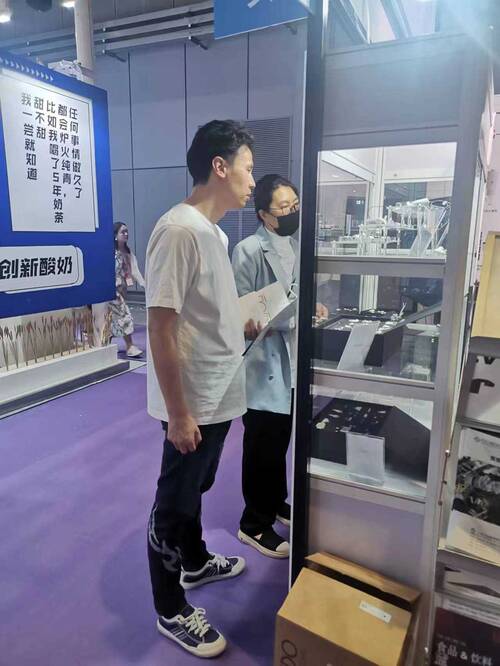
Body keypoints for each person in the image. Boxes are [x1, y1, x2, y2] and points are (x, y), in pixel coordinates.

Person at [146, 120, 255, 659]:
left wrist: (243, 321)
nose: (252, 181)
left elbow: (204, 313)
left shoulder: (215, 234)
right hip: (193, 402)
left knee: (197, 488)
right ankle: (170, 608)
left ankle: (194, 562)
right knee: (173, 503)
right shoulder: (179, 231)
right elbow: (160, 327)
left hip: (218, 393)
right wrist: (179, 413)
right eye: (248, 169)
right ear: (220, 166)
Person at [232, 174, 328, 558]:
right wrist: (280, 317)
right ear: (264, 215)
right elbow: (242, 310)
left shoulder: (295, 245)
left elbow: (297, 294)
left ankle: (274, 503)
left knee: (280, 442)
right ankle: (253, 523)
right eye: (284, 208)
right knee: (261, 446)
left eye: (295, 205)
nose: (292, 213)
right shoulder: (248, 250)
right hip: (262, 363)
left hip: (290, 362)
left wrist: (312, 307)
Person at [110, 222, 145, 357]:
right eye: (122, 232)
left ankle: (111, 347)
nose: (126, 234)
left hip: (119, 292)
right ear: (115, 235)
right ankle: (128, 346)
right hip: (109, 291)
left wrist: (144, 284)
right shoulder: (109, 252)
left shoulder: (127, 253)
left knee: (117, 317)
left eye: (127, 231)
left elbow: (134, 271)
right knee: (121, 316)